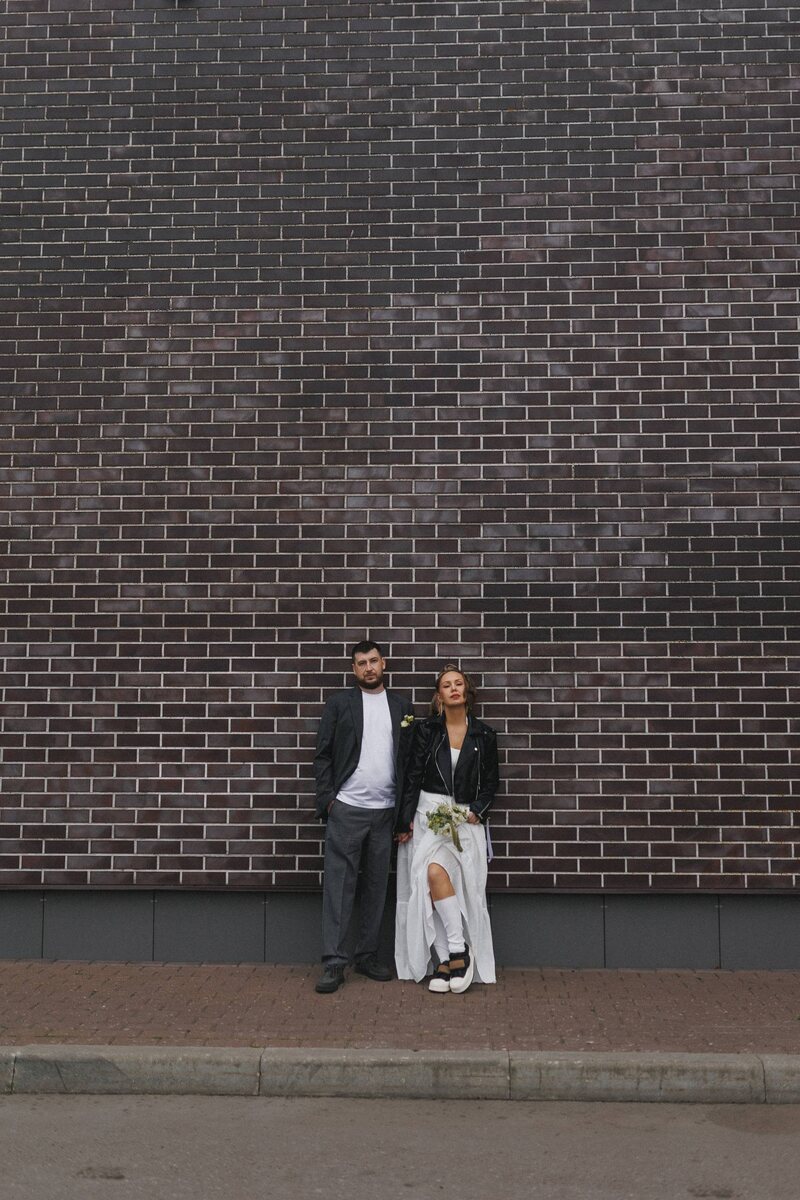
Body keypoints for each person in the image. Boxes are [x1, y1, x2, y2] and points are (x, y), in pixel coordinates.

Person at [313, 640, 413, 994]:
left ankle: (367, 955)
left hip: (385, 812)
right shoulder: (339, 704)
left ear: (384, 664)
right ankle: (334, 962)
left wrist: (403, 816)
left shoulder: (401, 706)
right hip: (347, 809)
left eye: (373, 661)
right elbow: (323, 755)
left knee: (376, 887)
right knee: (339, 887)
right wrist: (329, 801)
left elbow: (407, 762)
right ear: (353, 669)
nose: (368, 668)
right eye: (361, 663)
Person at [394, 664, 498, 993]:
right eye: (446, 685)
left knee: (438, 873)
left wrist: (478, 811)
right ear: (439, 696)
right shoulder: (426, 731)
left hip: (463, 820)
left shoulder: (484, 735)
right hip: (427, 816)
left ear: (467, 692)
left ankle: (457, 950)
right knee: (427, 881)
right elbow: (412, 776)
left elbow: (491, 783)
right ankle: (449, 955)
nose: (453, 688)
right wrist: (404, 819)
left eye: (458, 684)